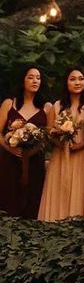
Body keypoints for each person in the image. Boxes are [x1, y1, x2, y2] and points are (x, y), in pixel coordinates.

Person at [38, 67, 84, 221]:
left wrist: (82, 144)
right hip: (61, 157)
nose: (77, 82)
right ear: (66, 82)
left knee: (81, 192)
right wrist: (61, 143)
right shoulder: (56, 106)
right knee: (60, 192)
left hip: (83, 156)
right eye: (73, 79)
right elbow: (49, 132)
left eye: (81, 79)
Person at [0, 65, 48, 218]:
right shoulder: (9, 103)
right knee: (8, 199)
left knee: (33, 199)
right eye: (31, 77)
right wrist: (10, 148)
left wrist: (35, 148)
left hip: (35, 161)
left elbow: (47, 136)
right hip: (10, 160)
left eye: (38, 78)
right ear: (23, 80)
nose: (35, 81)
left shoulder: (46, 107)